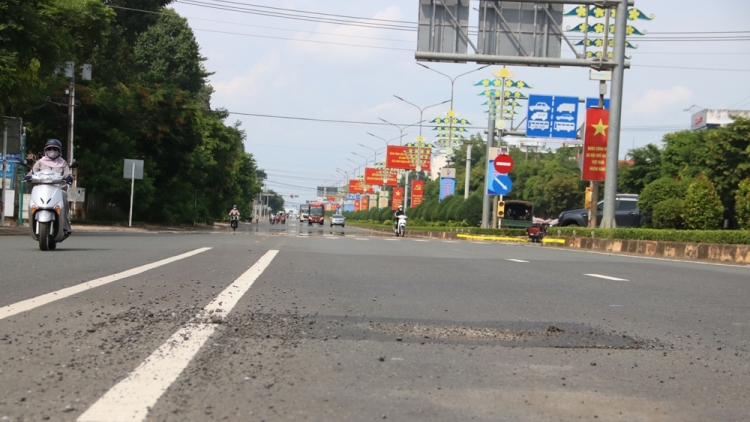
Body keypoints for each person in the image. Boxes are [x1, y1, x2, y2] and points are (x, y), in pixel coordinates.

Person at [25, 139, 74, 238]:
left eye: (55, 149)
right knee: (31, 202)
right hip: (42, 189)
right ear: (45, 150)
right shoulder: (39, 162)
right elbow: (32, 173)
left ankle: (65, 227)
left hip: (58, 190)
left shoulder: (63, 163)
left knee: (64, 198)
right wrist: (28, 176)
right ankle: (32, 221)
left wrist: (69, 177)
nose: (52, 151)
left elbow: (68, 174)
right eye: (50, 149)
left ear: (59, 151)